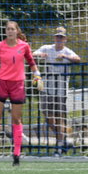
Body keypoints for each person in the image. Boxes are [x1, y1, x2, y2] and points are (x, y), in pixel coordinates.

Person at [0, 21, 42, 166]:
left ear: (17, 31)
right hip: (2, 84)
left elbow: (31, 62)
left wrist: (37, 75)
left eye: (12, 29)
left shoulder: (24, 46)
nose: (10, 31)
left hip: (18, 85)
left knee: (16, 119)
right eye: (8, 29)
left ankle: (16, 153)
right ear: (5, 31)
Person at [33, 26, 81, 155]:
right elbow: (32, 54)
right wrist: (40, 55)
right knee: (47, 114)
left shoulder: (67, 51)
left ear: (65, 39)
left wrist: (65, 56)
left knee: (60, 117)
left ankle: (59, 146)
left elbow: (78, 59)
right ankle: (63, 138)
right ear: (54, 38)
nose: (59, 39)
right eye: (57, 37)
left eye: (61, 37)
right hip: (47, 87)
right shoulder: (47, 48)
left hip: (61, 88)